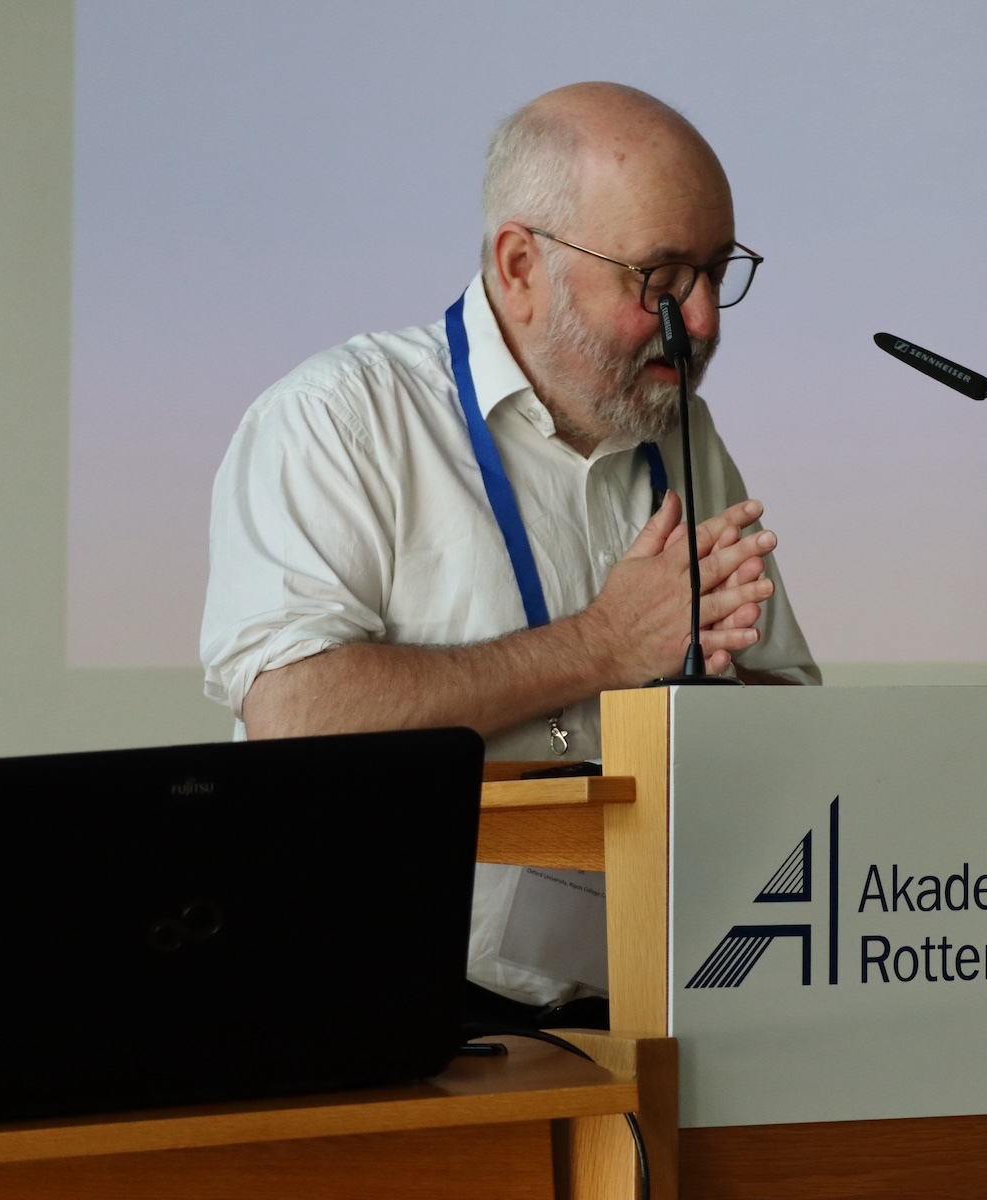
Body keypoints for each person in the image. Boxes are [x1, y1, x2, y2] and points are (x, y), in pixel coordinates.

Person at [200, 81, 818, 1021]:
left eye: (717, 272)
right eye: (659, 280)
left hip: (646, 999)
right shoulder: (339, 419)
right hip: (382, 1005)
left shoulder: (681, 430)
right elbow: (296, 720)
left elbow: (793, 716)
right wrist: (603, 647)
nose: (701, 322)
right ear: (521, 264)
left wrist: (714, 695)